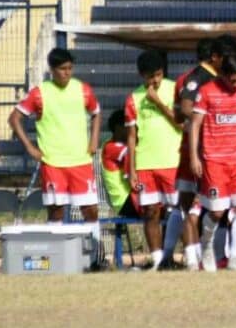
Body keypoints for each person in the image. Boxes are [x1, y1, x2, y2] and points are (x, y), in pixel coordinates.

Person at [189, 54, 236, 272]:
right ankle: (207, 246)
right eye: (233, 80)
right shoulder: (207, 92)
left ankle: (234, 259)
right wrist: (194, 156)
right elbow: (195, 125)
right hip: (215, 161)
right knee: (217, 212)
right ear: (222, 75)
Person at [10, 48, 101, 222]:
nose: (67, 73)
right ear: (52, 70)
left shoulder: (83, 90)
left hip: (80, 160)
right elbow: (14, 119)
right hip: (53, 163)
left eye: (70, 68)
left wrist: (94, 139)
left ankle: (94, 248)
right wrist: (30, 147)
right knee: (56, 211)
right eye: (62, 69)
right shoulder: (39, 93)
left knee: (91, 210)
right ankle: (56, 249)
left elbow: (96, 113)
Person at [125, 50, 183, 271]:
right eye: (151, 77)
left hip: (173, 161)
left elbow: (180, 124)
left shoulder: (175, 89)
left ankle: (187, 256)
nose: (155, 81)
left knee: (181, 210)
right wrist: (132, 170)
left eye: (158, 75)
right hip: (146, 164)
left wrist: (158, 102)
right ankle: (159, 261)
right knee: (151, 212)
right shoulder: (133, 99)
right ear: (142, 76)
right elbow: (132, 137)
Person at [174, 38, 224, 270]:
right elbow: (185, 108)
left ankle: (202, 256)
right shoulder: (197, 77)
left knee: (205, 205)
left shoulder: (213, 78)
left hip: (206, 149)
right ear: (214, 56)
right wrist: (204, 126)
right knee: (192, 205)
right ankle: (194, 258)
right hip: (197, 151)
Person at [101, 110, 141, 218]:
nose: (135, 129)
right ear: (118, 127)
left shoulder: (127, 146)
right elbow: (132, 157)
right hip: (124, 201)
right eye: (130, 125)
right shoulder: (111, 147)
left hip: (132, 197)